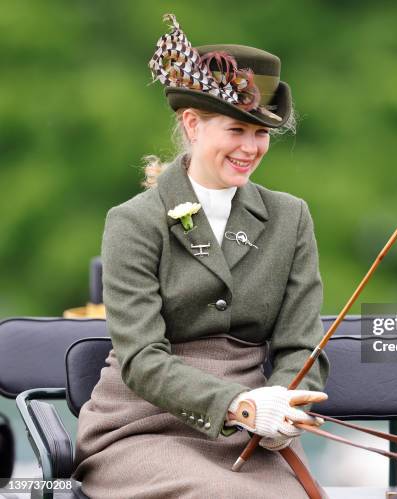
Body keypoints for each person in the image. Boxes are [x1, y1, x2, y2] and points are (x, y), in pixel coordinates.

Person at [72, 14, 330, 499]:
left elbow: (301, 344)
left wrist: (288, 404)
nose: (251, 148)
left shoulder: (290, 217)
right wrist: (237, 403)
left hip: (252, 439)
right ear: (192, 124)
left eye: (262, 134)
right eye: (237, 130)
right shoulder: (132, 222)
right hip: (143, 428)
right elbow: (143, 359)